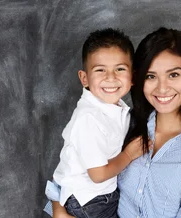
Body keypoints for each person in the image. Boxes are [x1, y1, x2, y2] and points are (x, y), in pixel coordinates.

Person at [51, 27, 181, 218]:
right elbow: (72, 168)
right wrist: (58, 209)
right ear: (137, 79)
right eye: (151, 76)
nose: (162, 88)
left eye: (173, 75)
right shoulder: (125, 125)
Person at [47, 28, 144, 218]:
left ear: (132, 76)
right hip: (90, 200)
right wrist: (129, 155)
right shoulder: (89, 118)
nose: (111, 77)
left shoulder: (113, 109)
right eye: (100, 70)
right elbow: (98, 175)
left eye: (120, 69)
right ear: (84, 78)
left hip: (92, 196)